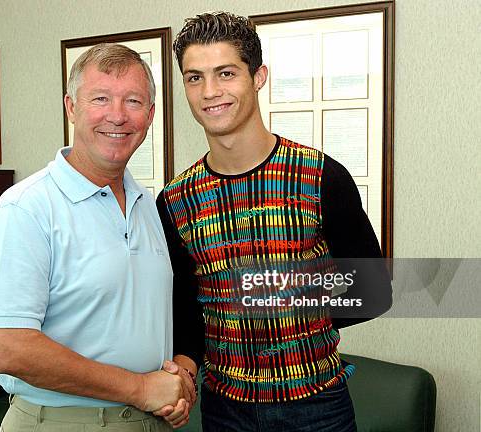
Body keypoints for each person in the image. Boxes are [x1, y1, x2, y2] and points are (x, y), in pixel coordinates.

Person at [156, 12, 392, 432]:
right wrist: (183, 370)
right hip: (224, 409)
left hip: (317, 405)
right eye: (194, 77)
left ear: (258, 76)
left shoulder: (321, 176)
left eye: (225, 73)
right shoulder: (175, 201)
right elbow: (187, 311)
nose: (210, 92)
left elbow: (372, 291)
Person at [0, 43, 195, 431]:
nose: (117, 115)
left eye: (133, 101)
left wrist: (178, 382)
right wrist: (141, 388)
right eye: (100, 98)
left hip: (151, 420)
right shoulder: (26, 208)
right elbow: (10, 349)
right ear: (71, 108)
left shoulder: (149, 205)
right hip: (62, 421)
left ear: (150, 115)